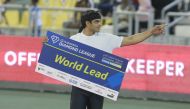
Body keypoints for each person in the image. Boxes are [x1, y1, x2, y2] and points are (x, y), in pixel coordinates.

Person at [69, 10, 165, 109]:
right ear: (87, 23)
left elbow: (131, 39)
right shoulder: (74, 39)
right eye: (96, 21)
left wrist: (151, 32)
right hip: (78, 87)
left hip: (98, 87)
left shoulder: (106, 38)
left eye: (100, 21)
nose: (100, 24)